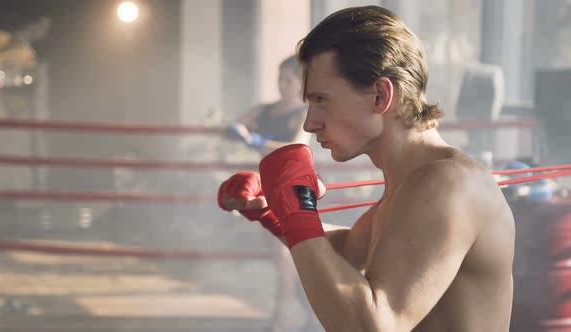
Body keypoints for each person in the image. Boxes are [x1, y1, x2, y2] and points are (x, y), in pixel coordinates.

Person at [218, 5, 515, 331]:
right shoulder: (412, 181)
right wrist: (273, 210)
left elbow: (376, 324)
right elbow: (349, 252)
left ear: (380, 96)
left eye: (321, 100)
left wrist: (297, 212)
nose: (310, 122)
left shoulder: (446, 183)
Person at [223, 55, 317, 332]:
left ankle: (280, 321)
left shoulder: (304, 113)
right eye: (280, 80)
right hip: (263, 187)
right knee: (282, 257)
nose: (283, 85)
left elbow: (297, 146)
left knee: (283, 257)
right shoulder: (265, 109)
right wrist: (239, 131)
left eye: (289, 80)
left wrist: (257, 141)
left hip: (290, 188)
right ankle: (313, 316)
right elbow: (234, 126)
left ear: (300, 83)